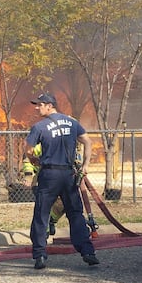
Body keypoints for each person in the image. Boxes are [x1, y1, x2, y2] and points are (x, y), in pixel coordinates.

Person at [25, 92, 98, 269]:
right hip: (68, 175)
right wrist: (86, 165)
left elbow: (28, 151)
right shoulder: (72, 122)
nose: (37, 107)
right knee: (75, 214)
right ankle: (88, 252)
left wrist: (36, 161)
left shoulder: (39, 127)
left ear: (50, 106)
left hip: (49, 175)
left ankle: (40, 255)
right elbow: (87, 142)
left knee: (42, 214)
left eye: (40, 104)